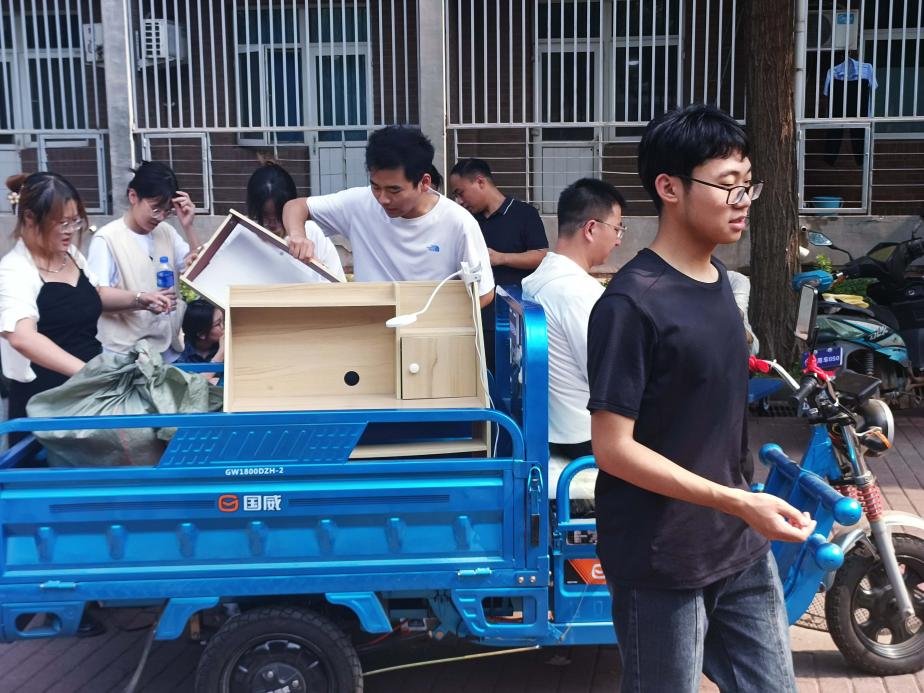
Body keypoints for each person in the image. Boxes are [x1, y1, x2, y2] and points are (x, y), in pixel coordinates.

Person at [586, 104, 814, 692]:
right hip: (662, 559)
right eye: (728, 185)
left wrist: (742, 507)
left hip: (737, 543)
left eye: (748, 185)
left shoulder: (720, 285)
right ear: (670, 188)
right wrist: (736, 502)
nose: (743, 200)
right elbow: (613, 449)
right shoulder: (630, 304)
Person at [0, 172, 171, 444]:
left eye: (75, 221)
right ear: (30, 218)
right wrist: (88, 373)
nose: (71, 230)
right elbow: (22, 337)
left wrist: (140, 299)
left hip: (87, 396)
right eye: (61, 222)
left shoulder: (69, 255)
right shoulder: (14, 270)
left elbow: (94, 295)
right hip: (45, 406)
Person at [281, 126, 495, 308]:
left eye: (394, 190)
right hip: (371, 329)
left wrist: (433, 319)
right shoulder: (359, 204)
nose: (383, 199)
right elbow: (296, 206)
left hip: (429, 334)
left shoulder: (458, 223)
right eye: (375, 186)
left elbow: (484, 293)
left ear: (424, 183)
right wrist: (298, 235)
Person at [522, 178, 625, 462]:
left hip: (553, 426)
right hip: (585, 436)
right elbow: (607, 376)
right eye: (617, 229)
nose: (618, 240)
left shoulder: (541, 277)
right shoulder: (577, 291)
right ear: (591, 228)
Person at [87, 161, 196, 361]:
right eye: (155, 208)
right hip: (124, 354)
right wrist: (140, 298)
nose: (160, 217)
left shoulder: (167, 232)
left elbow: (196, 269)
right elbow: (97, 296)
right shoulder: (107, 238)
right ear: (133, 196)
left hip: (167, 349)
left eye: (167, 211)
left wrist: (188, 227)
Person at [449, 158, 548, 370]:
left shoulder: (524, 214)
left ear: (480, 182)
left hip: (512, 317)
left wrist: (501, 258)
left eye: (461, 192)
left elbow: (541, 256)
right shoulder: (467, 221)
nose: (459, 201)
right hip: (475, 316)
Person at [245, 161, 345, 281]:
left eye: (278, 214)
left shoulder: (313, 232)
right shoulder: (245, 236)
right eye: (265, 214)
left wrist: (318, 267)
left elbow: (337, 282)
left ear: (289, 206)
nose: (272, 223)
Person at [177, 299, 223, 364]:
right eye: (218, 324)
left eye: (223, 320)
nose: (224, 326)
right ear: (201, 334)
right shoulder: (179, 355)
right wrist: (221, 354)